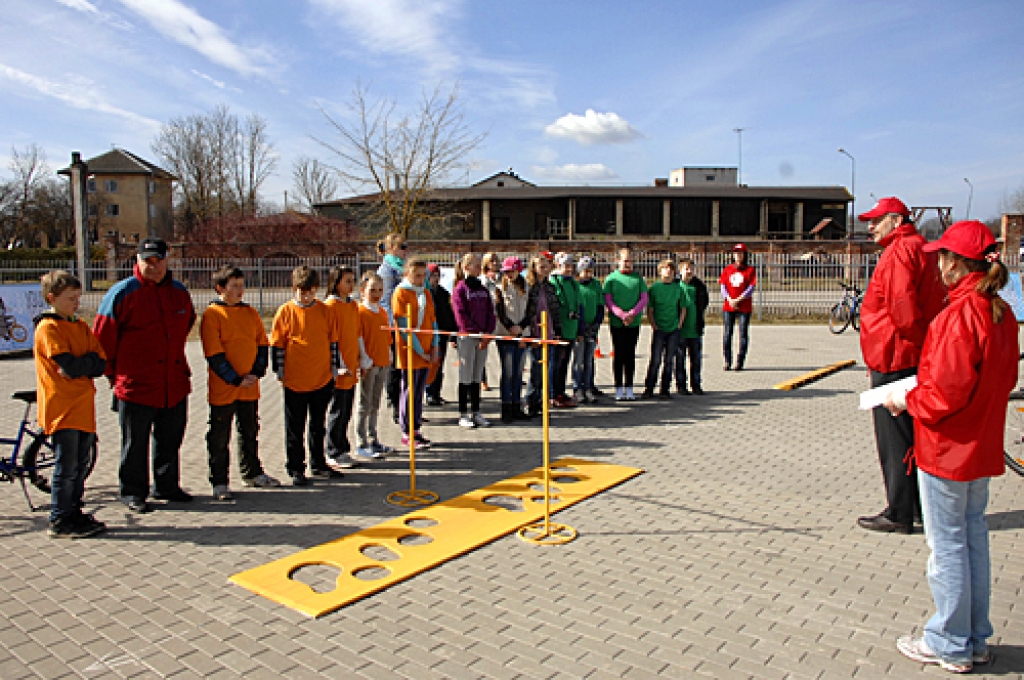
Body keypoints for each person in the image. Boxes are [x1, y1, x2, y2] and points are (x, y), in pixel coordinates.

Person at [885, 220, 1018, 674]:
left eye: (942, 257)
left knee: (947, 549)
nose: (937, 264)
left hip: (947, 447)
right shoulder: (999, 312)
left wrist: (906, 399)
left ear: (956, 264)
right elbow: (1000, 380)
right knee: (972, 539)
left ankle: (949, 641)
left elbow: (944, 393)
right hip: (979, 444)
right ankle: (974, 635)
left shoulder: (958, 315)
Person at [857, 197, 946, 534]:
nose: (870, 227)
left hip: (895, 354)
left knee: (894, 438)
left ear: (895, 220)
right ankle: (920, 507)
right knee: (911, 435)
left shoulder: (898, 252)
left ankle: (899, 511)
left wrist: (914, 341)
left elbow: (902, 307)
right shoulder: (922, 247)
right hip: (908, 353)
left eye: (876, 220)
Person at [93, 237, 195, 514]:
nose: (154, 266)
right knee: (134, 443)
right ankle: (133, 491)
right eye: (147, 261)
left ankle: (167, 486)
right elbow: (102, 339)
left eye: (158, 260)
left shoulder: (179, 292)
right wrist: (114, 375)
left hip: (172, 382)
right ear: (137, 262)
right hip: (135, 384)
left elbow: (187, 324)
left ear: (166, 260)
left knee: (170, 439)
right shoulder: (122, 293)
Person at [35, 270, 107, 537]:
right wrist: (82, 365)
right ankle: (60, 517)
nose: (76, 304)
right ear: (52, 298)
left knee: (80, 465)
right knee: (65, 467)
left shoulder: (79, 326)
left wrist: (84, 365)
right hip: (62, 408)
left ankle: (74, 510)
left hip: (83, 406)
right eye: (70, 299)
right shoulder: (49, 328)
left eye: (78, 298)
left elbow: (100, 361)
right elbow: (68, 365)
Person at [200, 266, 279, 501]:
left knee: (250, 431)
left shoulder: (250, 312)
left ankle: (252, 472)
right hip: (225, 388)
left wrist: (256, 372)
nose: (239, 290)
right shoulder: (212, 315)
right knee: (219, 435)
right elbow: (214, 353)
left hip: (249, 387)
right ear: (220, 288)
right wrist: (234, 379)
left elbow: (262, 344)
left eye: (242, 285)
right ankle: (219, 481)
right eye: (234, 286)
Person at [270, 266, 343, 486]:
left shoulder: (325, 311)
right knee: (295, 427)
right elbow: (277, 345)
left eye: (310, 291)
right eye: (302, 292)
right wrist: (280, 372)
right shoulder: (285, 312)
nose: (306, 296)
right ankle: (295, 468)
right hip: (295, 379)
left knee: (317, 425)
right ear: (294, 289)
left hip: (321, 377)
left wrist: (333, 369)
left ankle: (318, 463)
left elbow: (333, 342)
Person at [392, 257, 438, 447]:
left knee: (420, 391)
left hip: (427, 349)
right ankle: (407, 430)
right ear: (407, 274)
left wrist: (435, 345)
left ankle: (417, 428)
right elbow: (403, 327)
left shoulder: (425, 293)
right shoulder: (401, 293)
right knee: (409, 390)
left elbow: (433, 320)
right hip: (410, 350)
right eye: (416, 276)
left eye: (423, 276)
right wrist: (420, 351)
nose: (420, 279)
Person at [452, 253, 496, 428]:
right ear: (466, 267)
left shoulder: (483, 289)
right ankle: (463, 413)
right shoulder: (460, 289)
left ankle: (476, 412)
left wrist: (487, 333)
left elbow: (490, 312)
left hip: (482, 339)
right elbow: (460, 314)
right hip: (467, 337)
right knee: (466, 375)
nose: (479, 269)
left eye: (480, 265)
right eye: (476, 265)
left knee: (477, 375)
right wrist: (474, 332)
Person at [324, 266, 362, 469]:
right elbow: (332, 339)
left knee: (347, 409)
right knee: (337, 410)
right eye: (347, 280)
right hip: (340, 369)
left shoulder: (352, 305)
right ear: (336, 282)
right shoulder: (330, 306)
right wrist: (338, 364)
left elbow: (356, 334)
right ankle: (333, 450)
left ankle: (342, 447)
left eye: (352, 280)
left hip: (352, 367)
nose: (351, 284)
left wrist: (360, 359)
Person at [355, 272, 394, 459]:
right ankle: (361, 441)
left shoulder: (382, 311)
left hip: (382, 363)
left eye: (380, 290)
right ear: (362, 291)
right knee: (364, 403)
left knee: (375, 403)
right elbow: (359, 337)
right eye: (372, 290)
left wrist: (389, 353)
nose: (376, 294)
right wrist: (364, 359)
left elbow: (386, 337)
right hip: (368, 365)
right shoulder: (360, 312)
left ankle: (373, 438)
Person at [603, 248, 648, 401]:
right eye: (625, 260)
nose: (627, 264)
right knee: (619, 353)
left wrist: (632, 314)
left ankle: (629, 387)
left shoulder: (638, 279)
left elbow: (643, 299)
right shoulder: (611, 279)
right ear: (618, 261)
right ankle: (618, 387)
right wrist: (622, 314)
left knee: (630, 354)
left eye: (630, 261)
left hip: (633, 322)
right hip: (617, 322)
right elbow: (608, 300)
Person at [493, 256, 531, 422]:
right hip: (506, 334)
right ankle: (506, 406)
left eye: (512, 271)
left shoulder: (527, 288)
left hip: (522, 334)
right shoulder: (499, 288)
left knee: (518, 372)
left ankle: (517, 405)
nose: (509, 274)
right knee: (507, 372)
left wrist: (521, 328)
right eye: (506, 271)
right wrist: (510, 328)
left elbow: (531, 311)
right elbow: (500, 311)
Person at [376, 233, 408, 424]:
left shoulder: (402, 269)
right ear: (391, 249)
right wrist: (393, 328)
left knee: (406, 369)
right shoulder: (387, 271)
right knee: (395, 370)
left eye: (406, 246)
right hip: (395, 327)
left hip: (408, 325)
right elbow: (385, 302)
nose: (406, 251)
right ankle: (396, 407)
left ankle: (407, 407)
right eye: (402, 247)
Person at [525, 255, 562, 416]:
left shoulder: (550, 287)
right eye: (541, 266)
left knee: (546, 369)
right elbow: (528, 312)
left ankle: (541, 401)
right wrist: (530, 333)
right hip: (535, 332)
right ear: (534, 268)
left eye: (547, 266)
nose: (545, 269)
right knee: (536, 369)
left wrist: (558, 330)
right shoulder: (529, 287)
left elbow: (555, 309)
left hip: (549, 331)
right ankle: (530, 401)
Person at [642, 259, 684, 400]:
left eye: (671, 269)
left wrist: (679, 324)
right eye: (666, 269)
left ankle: (665, 389)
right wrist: (653, 324)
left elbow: (683, 308)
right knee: (655, 359)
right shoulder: (654, 288)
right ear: (660, 271)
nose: (669, 271)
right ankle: (649, 388)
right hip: (659, 329)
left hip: (673, 329)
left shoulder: (678, 288)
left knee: (669, 360)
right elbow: (650, 309)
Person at [549, 252, 582, 408]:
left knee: (564, 363)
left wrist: (580, 330)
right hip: (558, 330)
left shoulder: (574, 284)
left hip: (571, 330)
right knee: (554, 364)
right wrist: (555, 330)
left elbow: (579, 306)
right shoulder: (553, 281)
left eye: (571, 266)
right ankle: (552, 394)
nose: (569, 269)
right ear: (558, 265)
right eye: (566, 266)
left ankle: (560, 392)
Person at [720, 243, 756, 371]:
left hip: (744, 306)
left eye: (741, 253)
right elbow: (723, 286)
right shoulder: (728, 269)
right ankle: (727, 361)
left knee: (743, 334)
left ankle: (740, 361)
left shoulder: (750, 270)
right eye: (736, 253)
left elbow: (751, 288)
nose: (738, 255)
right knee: (727, 333)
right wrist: (729, 299)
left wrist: (739, 299)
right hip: (729, 306)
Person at [574, 256, 605, 404]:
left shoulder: (596, 285)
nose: (587, 274)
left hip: (592, 327)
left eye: (590, 271)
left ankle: (588, 387)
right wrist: (580, 326)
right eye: (585, 271)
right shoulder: (576, 285)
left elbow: (600, 305)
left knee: (589, 359)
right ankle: (577, 388)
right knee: (578, 360)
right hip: (579, 327)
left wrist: (596, 324)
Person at [676, 257, 708, 395]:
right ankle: (681, 385)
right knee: (679, 359)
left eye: (691, 268)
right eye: (686, 268)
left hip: (695, 329)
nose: (689, 271)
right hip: (680, 329)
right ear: (680, 270)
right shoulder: (676, 285)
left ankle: (696, 384)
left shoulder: (699, 286)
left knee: (696, 359)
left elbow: (704, 301)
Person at [425, 263, 456, 406]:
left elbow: (450, 315)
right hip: (427, 336)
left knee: (439, 365)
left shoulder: (444, 294)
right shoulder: (424, 294)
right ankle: (428, 392)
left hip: (442, 335)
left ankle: (436, 393)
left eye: (437, 276)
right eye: (432, 276)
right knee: (429, 365)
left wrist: (453, 335)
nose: (435, 279)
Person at [480, 252, 501, 391]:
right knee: (483, 351)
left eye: (496, 260)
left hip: (501, 318)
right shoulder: (483, 279)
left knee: (504, 348)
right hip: (487, 317)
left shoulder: (502, 277)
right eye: (491, 260)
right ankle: (483, 379)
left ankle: (507, 375)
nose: (494, 263)